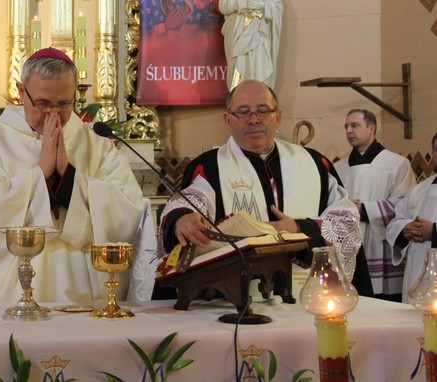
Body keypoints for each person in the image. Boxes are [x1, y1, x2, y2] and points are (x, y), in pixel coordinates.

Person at [0, 47, 144, 304]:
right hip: (11, 289)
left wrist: (69, 176)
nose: (53, 114)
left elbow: (128, 206)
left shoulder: (96, 146)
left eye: (64, 104)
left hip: (81, 286)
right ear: (22, 92)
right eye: (43, 103)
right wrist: (40, 175)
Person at [155, 80, 370, 299]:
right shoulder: (210, 167)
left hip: (310, 300)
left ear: (277, 117)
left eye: (263, 110)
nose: (254, 120)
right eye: (243, 112)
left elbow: (346, 221)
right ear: (228, 121)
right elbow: (193, 198)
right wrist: (181, 219)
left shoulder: (315, 163)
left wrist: (298, 228)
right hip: (232, 305)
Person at [334, 109, 416, 301]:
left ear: (371, 129)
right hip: (350, 244)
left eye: (355, 125)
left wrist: (365, 210)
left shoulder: (397, 163)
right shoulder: (339, 167)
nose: (349, 131)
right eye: (346, 127)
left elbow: (406, 205)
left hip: (381, 245)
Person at [219, 0, 284, 90]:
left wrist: (261, 5)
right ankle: (237, 99)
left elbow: (277, 5)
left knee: (259, 67)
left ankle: (262, 96)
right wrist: (242, 0)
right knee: (238, 68)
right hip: (237, 34)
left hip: (259, 35)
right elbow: (223, 5)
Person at [386, 133, 437, 303]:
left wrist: (434, 232)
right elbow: (396, 220)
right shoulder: (420, 189)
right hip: (417, 271)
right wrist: (405, 230)